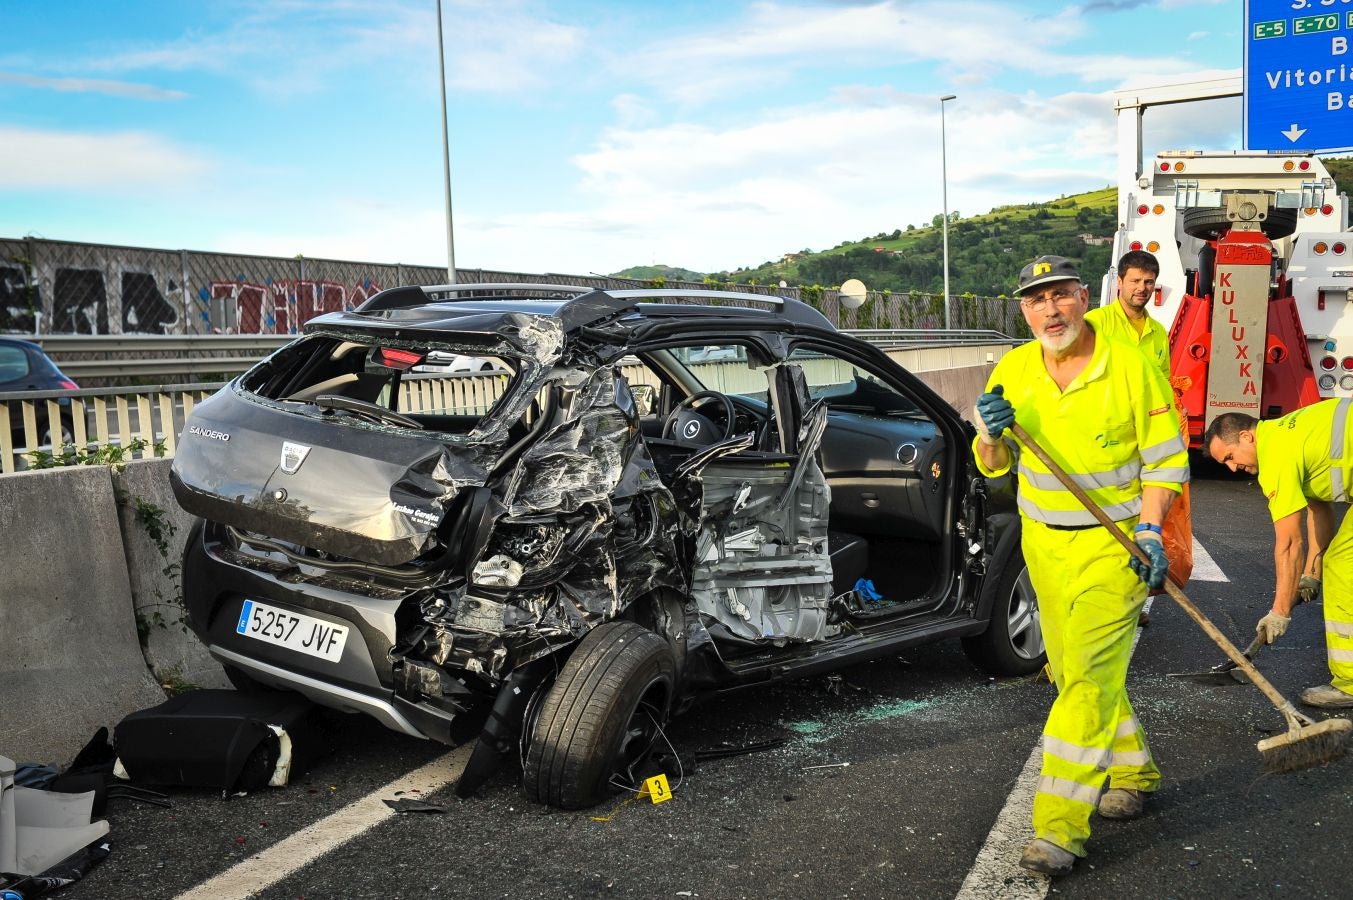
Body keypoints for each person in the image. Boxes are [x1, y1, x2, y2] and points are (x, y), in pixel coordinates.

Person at [972, 255, 1189, 877]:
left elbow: (1166, 459)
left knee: (1088, 676)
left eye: (1060, 296)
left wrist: (1150, 531)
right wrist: (989, 434)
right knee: (1070, 671)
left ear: (1082, 297)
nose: (1050, 310)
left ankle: (1059, 830)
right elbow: (994, 465)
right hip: (1043, 542)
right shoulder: (1014, 368)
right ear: (1024, 309)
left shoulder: (1130, 366)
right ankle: (1134, 770)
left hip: (1113, 541)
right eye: (1036, 300)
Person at [1202, 405, 1347, 707]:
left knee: (1343, 566)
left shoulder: (1275, 455)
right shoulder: (1286, 434)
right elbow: (1318, 506)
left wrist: (1280, 612)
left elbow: (1290, 542)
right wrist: (1311, 574)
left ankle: (1348, 683)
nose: (1231, 468)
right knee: (1336, 562)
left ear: (1246, 436)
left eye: (1230, 456)